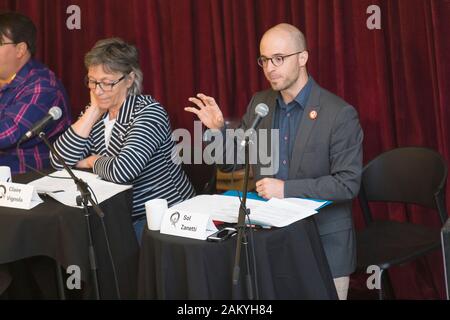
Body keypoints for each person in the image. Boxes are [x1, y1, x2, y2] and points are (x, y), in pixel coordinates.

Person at [185, 23, 363, 300]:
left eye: (279, 58)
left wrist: (285, 189)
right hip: (271, 241)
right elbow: (232, 161)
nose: (270, 67)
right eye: (264, 60)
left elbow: (347, 184)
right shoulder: (261, 103)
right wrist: (217, 130)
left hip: (323, 244)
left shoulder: (339, 113)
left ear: (303, 58)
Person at [50, 38, 195, 240]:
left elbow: (123, 170)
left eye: (107, 83)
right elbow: (59, 160)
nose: (98, 90)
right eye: (92, 81)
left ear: (129, 79)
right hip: (118, 215)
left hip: (164, 216)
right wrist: (93, 111)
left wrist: (91, 161)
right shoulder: (96, 112)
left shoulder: (149, 112)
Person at [0, 12, 71, 174]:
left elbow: (7, 134)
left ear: (20, 50)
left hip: (27, 182)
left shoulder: (42, 85)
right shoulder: (10, 81)